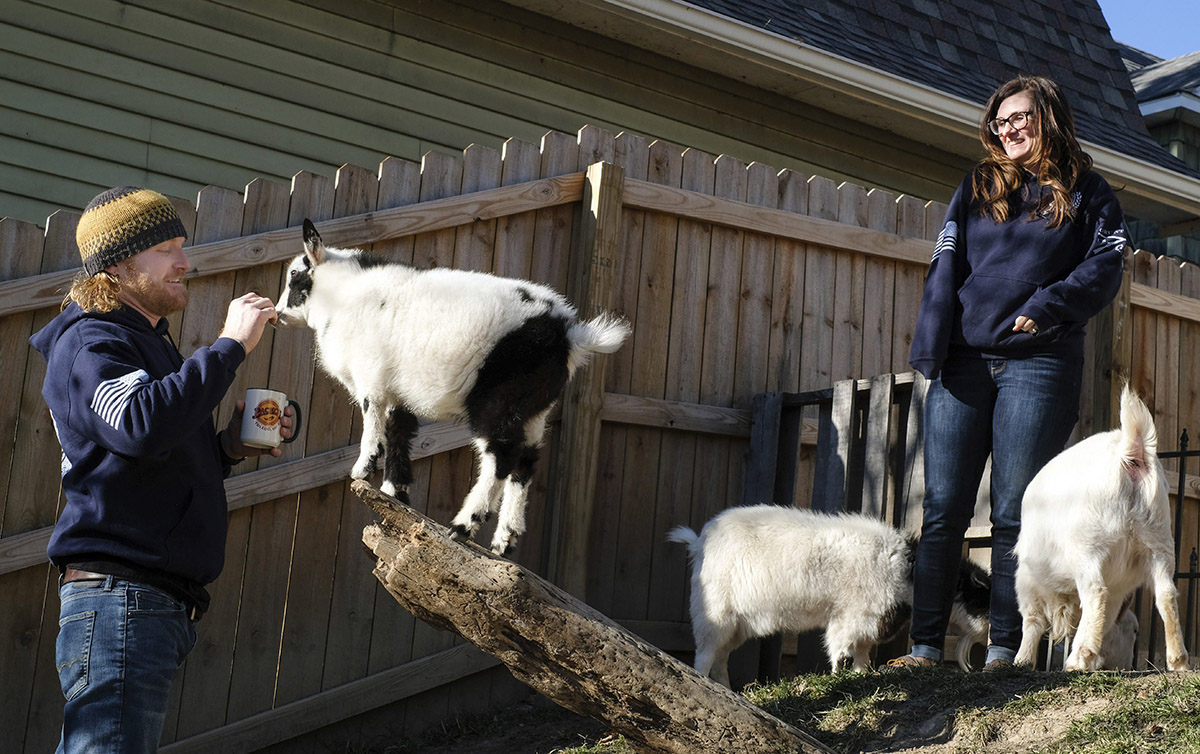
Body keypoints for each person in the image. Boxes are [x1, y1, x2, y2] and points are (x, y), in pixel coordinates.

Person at [30, 186, 296, 753]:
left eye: (182, 245)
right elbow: (138, 423)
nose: (185, 261)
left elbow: (149, 458)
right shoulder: (90, 341)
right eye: (168, 248)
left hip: (148, 600)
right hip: (120, 594)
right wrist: (229, 346)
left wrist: (227, 448)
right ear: (120, 265)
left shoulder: (145, 343)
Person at [886, 76, 1128, 670]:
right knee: (942, 509)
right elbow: (945, 265)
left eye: (1019, 117)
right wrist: (931, 342)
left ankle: (1004, 650)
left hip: (1040, 365)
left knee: (1014, 513)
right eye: (999, 121)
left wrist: (1044, 309)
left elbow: (1105, 268)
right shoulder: (977, 187)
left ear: (1049, 116)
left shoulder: (1089, 193)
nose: (1008, 129)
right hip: (964, 363)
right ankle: (923, 649)